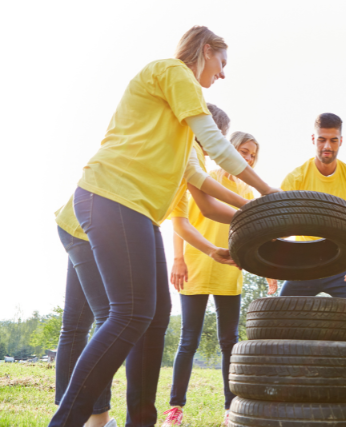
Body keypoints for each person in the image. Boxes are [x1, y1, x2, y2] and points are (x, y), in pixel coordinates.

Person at [50, 26, 278, 427]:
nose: (222, 74)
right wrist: (268, 192)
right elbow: (215, 141)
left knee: (154, 316)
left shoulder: (178, 126)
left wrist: (254, 210)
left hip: (132, 211)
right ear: (206, 51)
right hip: (110, 197)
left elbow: (202, 186)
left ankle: (141, 420)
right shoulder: (173, 72)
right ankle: (70, 421)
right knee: (129, 314)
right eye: (222, 63)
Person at [162, 130, 275, 427]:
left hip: (229, 269)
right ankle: (175, 409)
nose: (248, 158)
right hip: (196, 264)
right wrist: (178, 259)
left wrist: (267, 271)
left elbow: (254, 235)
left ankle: (230, 409)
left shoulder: (247, 191)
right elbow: (180, 220)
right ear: (229, 149)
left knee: (229, 341)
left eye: (252, 155)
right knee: (189, 339)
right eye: (244, 151)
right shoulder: (203, 175)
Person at [279, 113, 346, 300]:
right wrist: (269, 264)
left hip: (341, 261)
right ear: (313, 139)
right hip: (303, 262)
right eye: (321, 140)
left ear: (341, 141)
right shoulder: (295, 179)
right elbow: (280, 226)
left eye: (333, 140)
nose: (327, 146)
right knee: (280, 315)